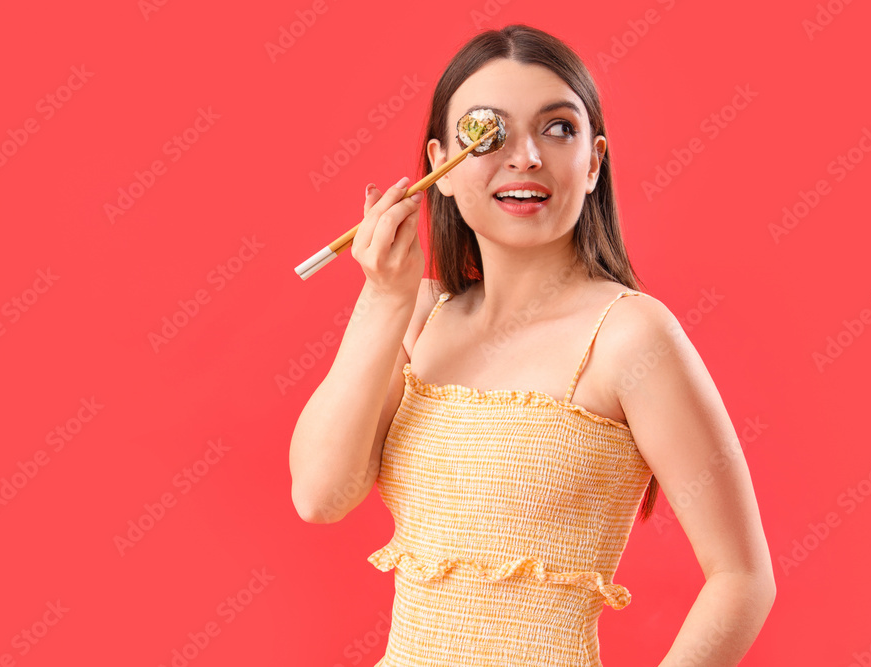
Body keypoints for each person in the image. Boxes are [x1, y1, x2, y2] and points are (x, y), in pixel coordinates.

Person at [290, 24, 776, 667]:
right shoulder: (418, 314)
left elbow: (742, 580)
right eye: (487, 132)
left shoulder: (630, 334)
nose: (525, 157)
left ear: (594, 161)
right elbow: (321, 497)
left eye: (557, 129)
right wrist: (384, 298)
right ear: (440, 166)